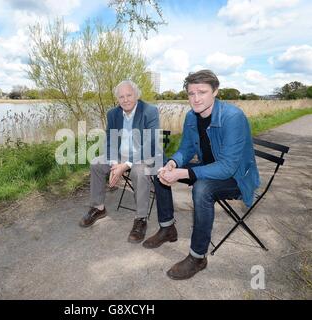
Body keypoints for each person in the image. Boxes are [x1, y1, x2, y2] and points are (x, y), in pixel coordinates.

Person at [143, 70, 260, 280]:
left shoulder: (233, 117)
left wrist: (183, 172)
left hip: (236, 177)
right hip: (208, 167)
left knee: (202, 187)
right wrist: (173, 163)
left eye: (202, 92)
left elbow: (226, 167)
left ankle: (198, 257)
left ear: (215, 91)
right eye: (191, 93)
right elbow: (186, 149)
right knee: (158, 165)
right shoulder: (191, 116)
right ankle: (167, 228)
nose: (195, 99)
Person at [79, 80, 161, 244]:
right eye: (121, 97)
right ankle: (98, 208)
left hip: (143, 156)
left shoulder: (150, 111)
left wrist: (126, 165)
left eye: (129, 95)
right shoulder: (113, 114)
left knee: (139, 171)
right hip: (119, 156)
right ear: (117, 99)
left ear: (136, 94)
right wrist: (115, 162)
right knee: (96, 163)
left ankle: (141, 219)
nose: (125, 100)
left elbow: (150, 143)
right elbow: (109, 140)